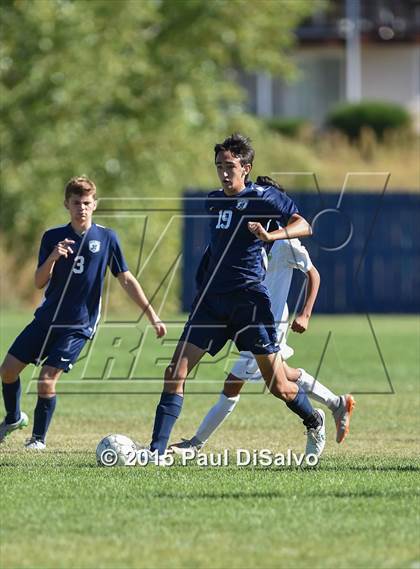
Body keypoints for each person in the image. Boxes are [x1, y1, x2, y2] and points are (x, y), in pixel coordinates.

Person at [149, 134, 326, 460]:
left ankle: (315, 420)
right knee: (175, 371)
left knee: (279, 387)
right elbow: (216, 250)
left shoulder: (264, 197)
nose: (224, 172)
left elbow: (304, 225)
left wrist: (270, 234)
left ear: (246, 167)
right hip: (213, 303)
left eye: (230, 166)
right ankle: (156, 452)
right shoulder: (214, 200)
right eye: (219, 166)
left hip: (249, 303)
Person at [170, 193, 356, 454]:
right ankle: (337, 403)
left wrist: (305, 314)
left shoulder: (284, 243)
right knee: (285, 376)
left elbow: (313, 274)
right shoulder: (245, 240)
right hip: (249, 319)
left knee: (238, 384)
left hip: (269, 324)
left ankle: (195, 444)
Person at [0, 176, 166, 449]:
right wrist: (52, 257)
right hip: (46, 320)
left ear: (95, 204)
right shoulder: (52, 237)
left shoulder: (106, 238)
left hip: (78, 325)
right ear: (67, 204)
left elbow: (126, 278)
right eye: (76, 203)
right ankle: (14, 417)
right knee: (7, 371)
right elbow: (39, 282)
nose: (82, 208)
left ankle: (38, 440)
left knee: (46, 379)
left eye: (87, 203)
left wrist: (152, 316)